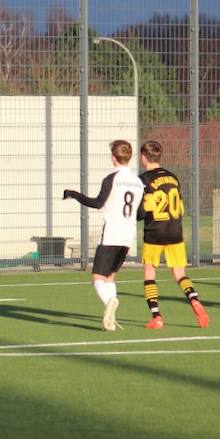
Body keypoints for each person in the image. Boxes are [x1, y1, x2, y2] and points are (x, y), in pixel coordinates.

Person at [63, 139, 145, 331]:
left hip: (111, 234)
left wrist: (74, 195)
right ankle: (110, 319)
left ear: (113, 157)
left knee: (98, 278)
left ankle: (109, 301)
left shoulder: (111, 179)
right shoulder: (138, 182)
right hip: (127, 236)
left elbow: (98, 203)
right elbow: (141, 213)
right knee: (109, 277)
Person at [136, 140, 209, 329]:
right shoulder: (173, 178)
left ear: (143, 157)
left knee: (149, 272)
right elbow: (181, 208)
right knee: (179, 273)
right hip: (175, 230)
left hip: (155, 232)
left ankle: (157, 317)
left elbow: (143, 211)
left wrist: (135, 214)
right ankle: (194, 299)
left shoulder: (143, 180)